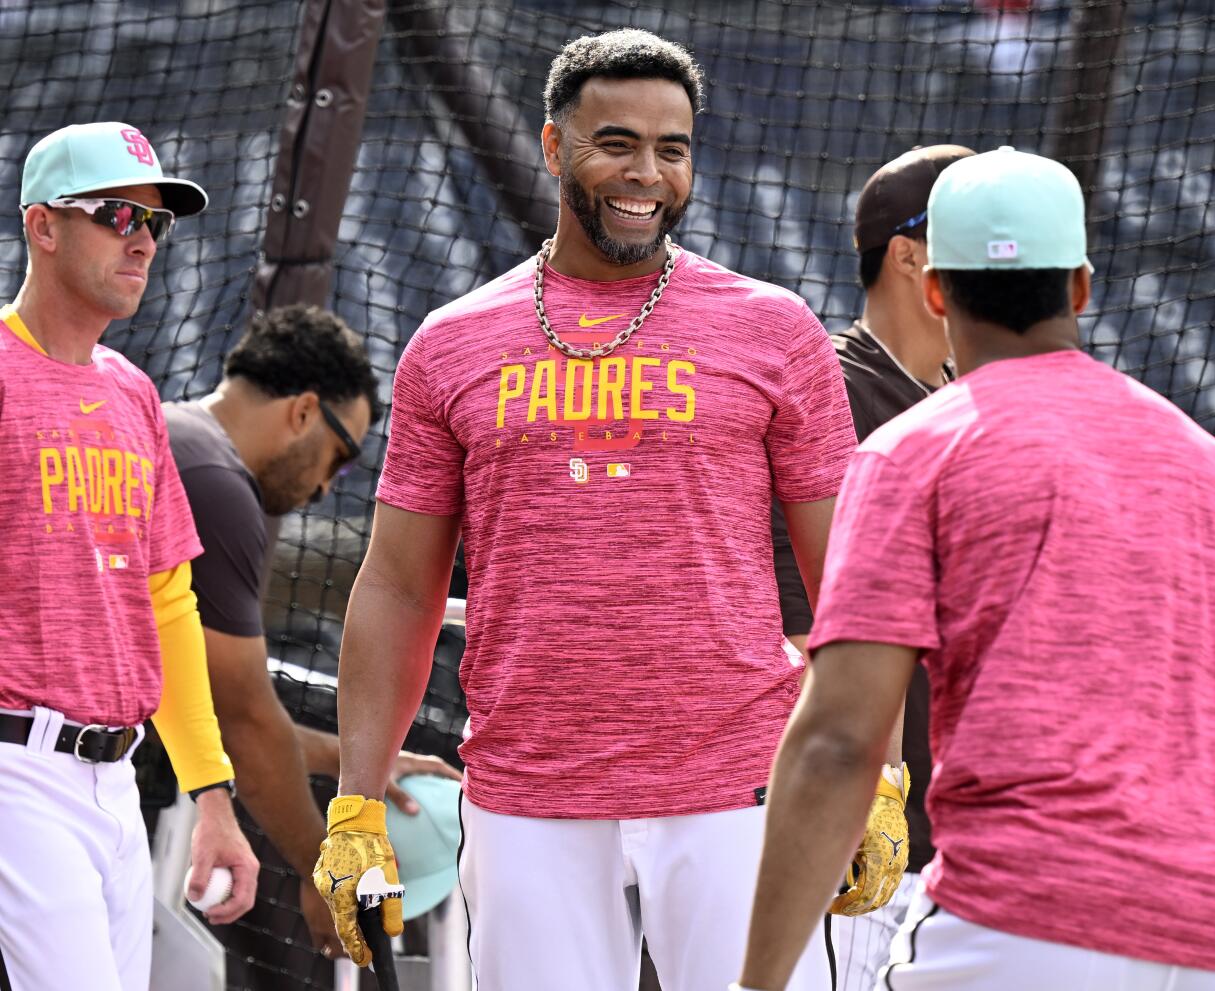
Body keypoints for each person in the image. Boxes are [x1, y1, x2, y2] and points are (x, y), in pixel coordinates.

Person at [313, 29, 860, 990]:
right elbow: (399, 584)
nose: (646, 173)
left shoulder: (774, 329)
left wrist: (878, 770)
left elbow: (853, 577)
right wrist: (356, 803)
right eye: (616, 143)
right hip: (529, 792)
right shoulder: (452, 343)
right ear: (554, 145)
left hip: (737, 784)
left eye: (672, 148)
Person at [738, 147, 1215, 991]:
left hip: (1027, 922)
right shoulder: (1207, 465)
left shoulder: (914, 452)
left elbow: (841, 739)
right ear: (1082, 288)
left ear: (938, 290)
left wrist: (757, 982)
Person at [0, 121, 258, 989]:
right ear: (43, 226)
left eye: (156, 221)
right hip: (15, 769)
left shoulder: (132, 391)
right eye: (116, 213)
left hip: (120, 783)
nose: (142, 238)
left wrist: (211, 795)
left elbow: (169, 602)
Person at [162, 302, 460, 975]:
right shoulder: (215, 482)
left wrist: (350, 761)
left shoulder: (168, 434)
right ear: (302, 412)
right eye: (341, 456)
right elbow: (244, 717)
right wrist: (323, 862)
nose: (328, 487)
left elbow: (208, 712)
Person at [771, 143, 972, 990]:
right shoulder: (830, 398)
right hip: (866, 845)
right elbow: (796, 631)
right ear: (909, 253)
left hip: (977, 847)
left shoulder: (978, 400)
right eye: (982, 233)